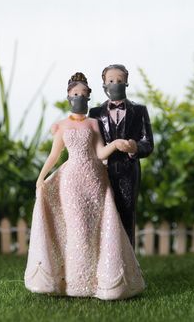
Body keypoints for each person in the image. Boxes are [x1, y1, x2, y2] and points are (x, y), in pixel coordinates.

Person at [24, 72, 145, 300]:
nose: (78, 98)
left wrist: (117, 145)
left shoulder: (94, 123)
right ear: (69, 96)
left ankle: (96, 282)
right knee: (77, 227)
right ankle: (75, 282)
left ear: (88, 97)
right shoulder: (60, 126)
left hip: (95, 180)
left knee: (93, 229)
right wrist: (41, 177)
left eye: (82, 94)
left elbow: (100, 153)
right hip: (72, 181)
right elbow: (54, 155)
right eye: (74, 94)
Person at [88, 64, 154, 250]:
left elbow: (148, 143)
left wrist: (135, 148)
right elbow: (90, 142)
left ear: (126, 83)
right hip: (102, 171)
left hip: (128, 172)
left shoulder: (139, 111)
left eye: (119, 80)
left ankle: (128, 264)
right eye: (110, 81)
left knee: (126, 214)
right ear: (103, 85)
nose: (115, 84)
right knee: (103, 215)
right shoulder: (94, 114)